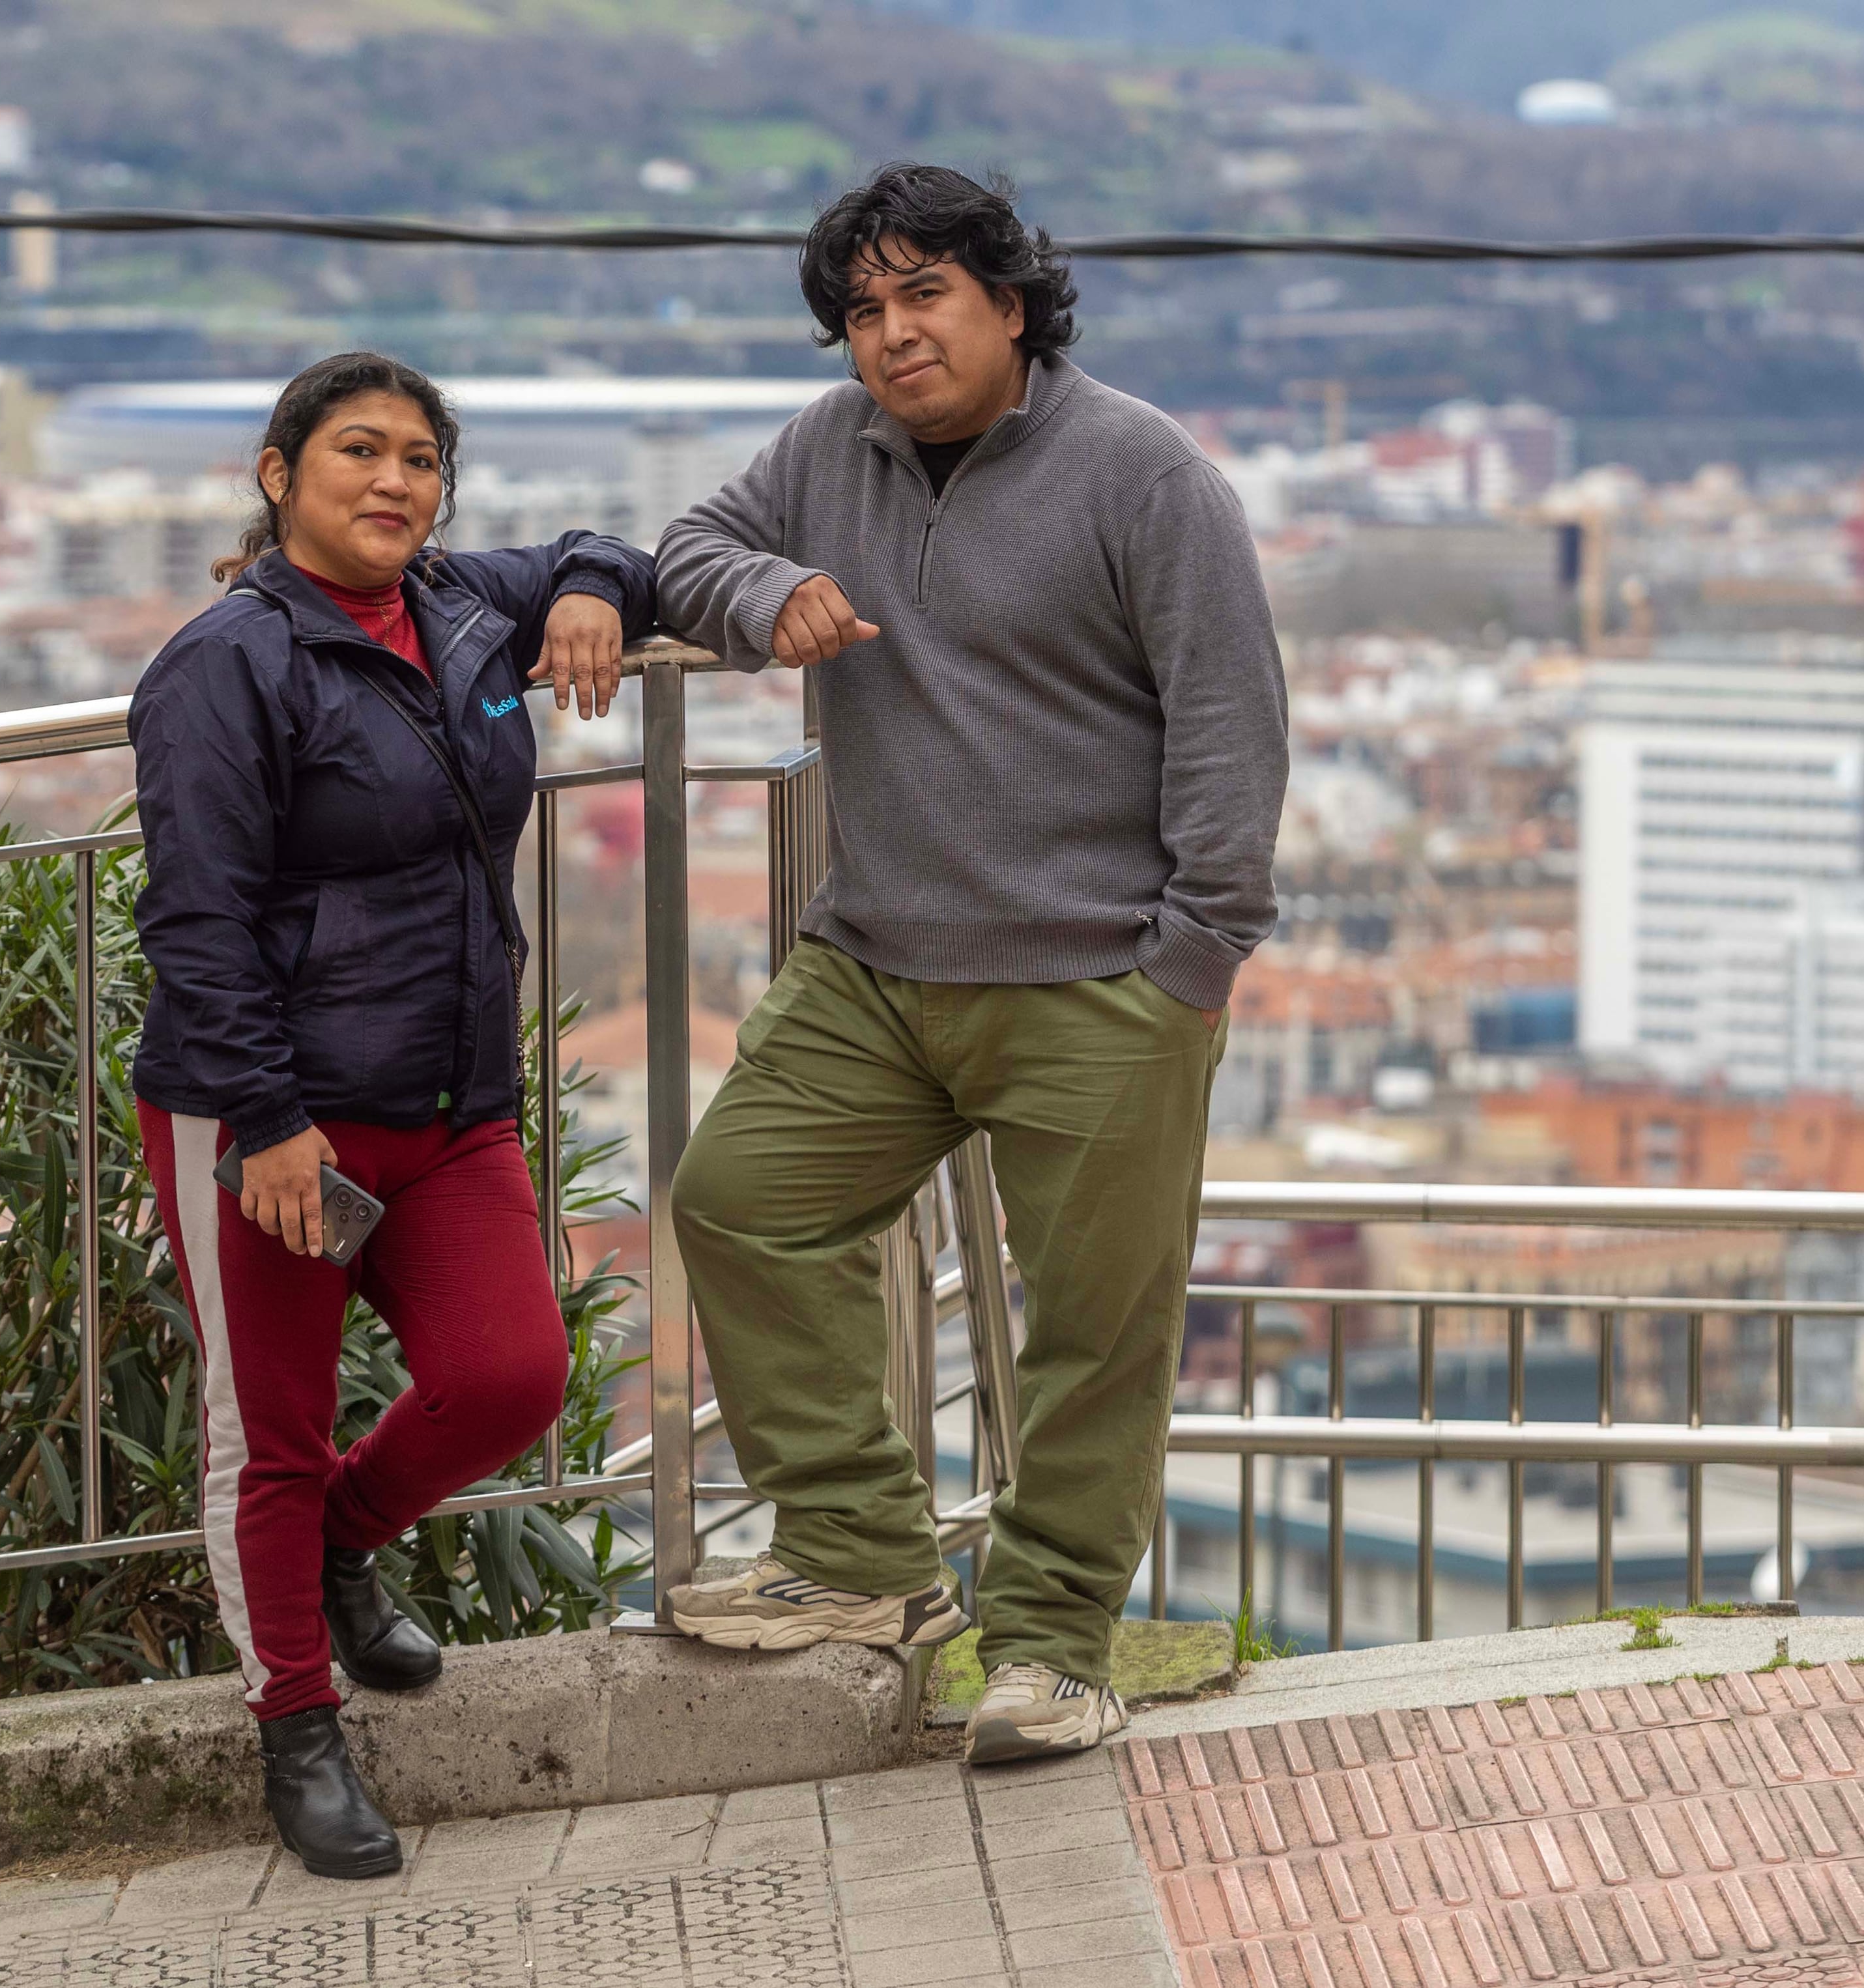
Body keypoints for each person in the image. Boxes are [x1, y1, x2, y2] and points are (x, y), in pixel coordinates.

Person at [652, 165, 1288, 1764]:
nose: (889, 334)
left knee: (1092, 1327)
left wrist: (1191, 962)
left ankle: (1056, 1648)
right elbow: (688, 545)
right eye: (860, 311)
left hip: (1099, 984)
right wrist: (766, 590)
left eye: (923, 293)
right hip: (871, 963)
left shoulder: (1146, 475)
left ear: (1012, 302)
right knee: (738, 1203)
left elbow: (1229, 724)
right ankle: (870, 1560)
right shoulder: (825, 452)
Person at [127, 352, 656, 1876]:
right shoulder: (224, 662)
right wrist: (268, 1120)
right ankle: (295, 1723)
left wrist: (591, 596)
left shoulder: (458, 608)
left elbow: (588, 549)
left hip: (452, 1095)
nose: (394, 482)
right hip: (272, 1112)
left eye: (421, 459)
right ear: (278, 472)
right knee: (269, 1434)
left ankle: (350, 1542)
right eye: (358, 451)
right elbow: (198, 918)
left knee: (512, 1373)